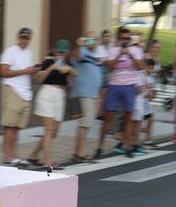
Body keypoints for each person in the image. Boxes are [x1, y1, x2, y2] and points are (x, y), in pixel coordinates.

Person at [26, 39, 76, 171]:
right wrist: (51, 68)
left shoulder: (68, 64)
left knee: (54, 132)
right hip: (47, 94)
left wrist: (69, 70)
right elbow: (38, 79)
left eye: (64, 52)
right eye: (59, 51)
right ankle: (48, 161)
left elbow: (73, 79)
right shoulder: (48, 61)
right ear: (55, 51)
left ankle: (33, 155)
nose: (61, 54)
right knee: (48, 131)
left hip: (60, 96)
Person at [97, 27, 144, 158]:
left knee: (129, 116)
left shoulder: (135, 50)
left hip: (130, 84)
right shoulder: (113, 50)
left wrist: (130, 54)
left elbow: (140, 67)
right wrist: (119, 54)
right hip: (114, 84)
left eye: (127, 38)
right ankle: (100, 146)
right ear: (118, 39)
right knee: (108, 117)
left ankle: (127, 145)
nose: (125, 41)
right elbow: (110, 68)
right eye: (123, 38)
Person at [0, 27, 39, 165]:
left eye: (27, 38)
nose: (24, 40)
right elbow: (3, 72)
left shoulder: (29, 53)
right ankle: (7, 156)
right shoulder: (10, 51)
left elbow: (27, 72)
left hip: (25, 92)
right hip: (13, 89)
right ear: (18, 38)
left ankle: (14, 154)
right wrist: (25, 71)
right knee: (10, 126)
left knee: (17, 127)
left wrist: (32, 71)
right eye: (22, 37)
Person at [70, 34, 102, 163]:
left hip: (93, 94)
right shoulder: (82, 51)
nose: (92, 42)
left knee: (87, 125)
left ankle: (79, 152)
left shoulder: (94, 55)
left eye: (94, 39)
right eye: (89, 39)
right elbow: (76, 56)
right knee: (84, 125)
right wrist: (80, 45)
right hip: (84, 93)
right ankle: (79, 154)